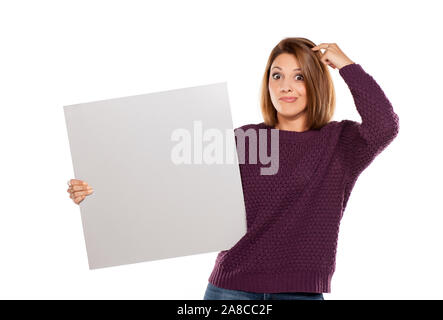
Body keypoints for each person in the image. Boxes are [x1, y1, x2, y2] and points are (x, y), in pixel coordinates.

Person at [67, 37, 400, 300]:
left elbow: (385, 125)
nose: (286, 86)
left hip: (302, 294)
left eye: (299, 76)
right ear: (267, 84)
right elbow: (166, 186)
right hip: (231, 291)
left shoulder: (340, 142)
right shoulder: (243, 141)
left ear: (315, 82)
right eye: (277, 75)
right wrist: (98, 190)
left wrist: (347, 66)